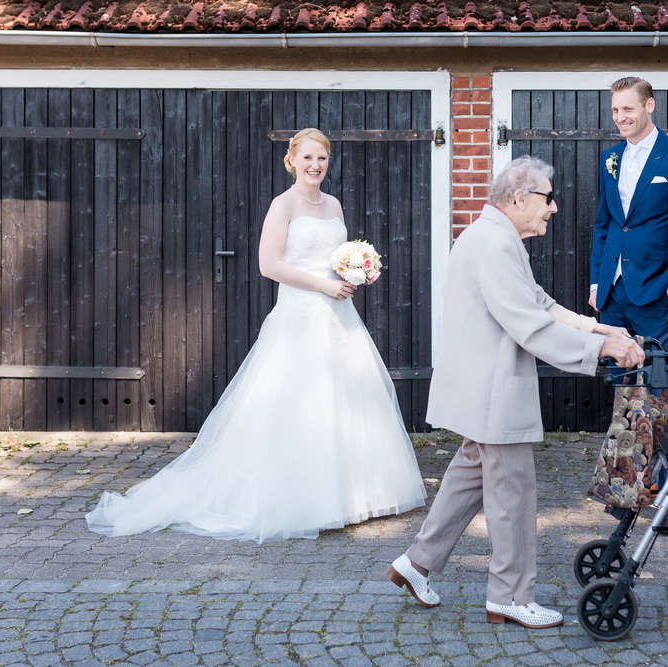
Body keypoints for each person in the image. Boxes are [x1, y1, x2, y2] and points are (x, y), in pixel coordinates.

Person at [86, 128, 426, 543]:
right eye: (307, 159)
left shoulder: (334, 204)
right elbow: (269, 265)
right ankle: (303, 498)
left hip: (339, 313)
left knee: (345, 398)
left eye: (321, 159)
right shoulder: (282, 205)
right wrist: (322, 285)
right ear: (292, 161)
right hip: (301, 313)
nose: (315, 166)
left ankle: (351, 497)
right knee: (299, 402)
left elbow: (334, 256)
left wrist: (355, 269)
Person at [387, 156, 645, 629]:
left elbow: (537, 301)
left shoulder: (494, 238)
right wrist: (603, 348)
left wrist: (597, 325)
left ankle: (417, 562)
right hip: (492, 392)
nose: (554, 208)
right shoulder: (494, 245)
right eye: (547, 198)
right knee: (513, 496)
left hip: (478, 388)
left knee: (468, 478)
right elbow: (530, 326)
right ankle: (509, 596)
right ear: (517, 198)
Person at [588, 77, 668, 527]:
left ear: (650, 106)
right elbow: (605, 224)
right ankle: (628, 486)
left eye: (628, 109)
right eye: (615, 111)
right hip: (614, 294)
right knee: (625, 391)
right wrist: (596, 282)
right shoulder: (609, 158)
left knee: (659, 393)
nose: (621, 118)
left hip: (655, 291)